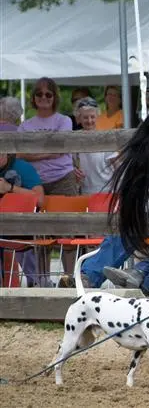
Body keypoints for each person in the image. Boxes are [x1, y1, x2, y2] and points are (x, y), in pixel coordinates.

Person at [17, 77, 78, 285]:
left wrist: (33, 153)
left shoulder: (64, 120)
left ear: (54, 97)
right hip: (36, 183)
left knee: (67, 230)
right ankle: (42, 281)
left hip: (63, 179)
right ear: (33, 98)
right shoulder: (25, 125)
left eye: (48, 94)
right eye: (39, 94)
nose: (43, 98)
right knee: (40, 233)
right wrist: (47, 152)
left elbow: (60, 148)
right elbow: (19, 154)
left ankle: (69, 278)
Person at [0, 151, 45, 287]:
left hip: (21, 226)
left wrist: (10, 188)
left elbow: (40, 199)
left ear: (7, 153)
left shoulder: (22, 167)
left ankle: (33, 282)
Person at [73, 97, 116, 194]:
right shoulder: (74, 139)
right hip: (85, 192)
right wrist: (73, 171)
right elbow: (70, 164)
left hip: (107, 191)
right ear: (79, 118)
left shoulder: (105, 138)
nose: (89, 121)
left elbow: (116, 164)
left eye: (92, 117)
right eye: (85, 117)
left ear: (97, 117)